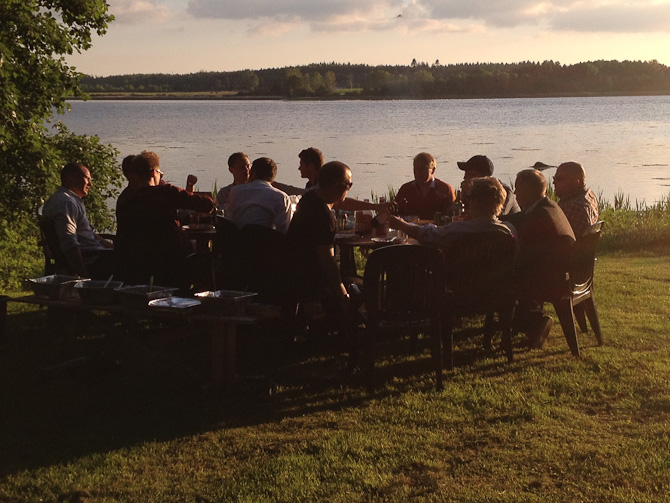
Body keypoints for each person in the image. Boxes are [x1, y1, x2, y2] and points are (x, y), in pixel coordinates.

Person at [115, 150, 215, 287]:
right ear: (153, 172)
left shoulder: (125, 199)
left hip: (135, 261)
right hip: (170, 259)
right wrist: (161, 184)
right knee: (205, 257)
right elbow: (206, 204)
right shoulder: (166, 192)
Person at [504, 168, 576, 349]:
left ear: (527, 191)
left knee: (503, 278)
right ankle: (528, 323)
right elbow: (520, 218)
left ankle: (535, 321)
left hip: (549, 277)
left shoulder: (539, 217)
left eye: (517, 189)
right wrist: (497, 219)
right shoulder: (548, 206)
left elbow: (525, 256)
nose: (515, 193)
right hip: (559, 271)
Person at [288, 161, 354, 319]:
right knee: (360, 286)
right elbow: (327, 260)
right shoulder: (323, 216)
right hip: (313, 281)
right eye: (349, 184)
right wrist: (342, 294)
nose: (349, 189)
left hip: (293, 274)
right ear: (338, 186)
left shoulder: (309, 199)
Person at [388, 177, 515, 250]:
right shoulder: (508, 231)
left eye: (469, 198)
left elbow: (427, 235)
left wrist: (402, 225)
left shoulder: (459, 230)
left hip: (458, 290)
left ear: (474, 201)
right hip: (495, 292)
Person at [41, 162, 114, 278]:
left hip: (95, 253)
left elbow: (86, 234)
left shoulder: (65, 199)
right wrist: (83, 274)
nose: (91, 184)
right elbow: (69, 241)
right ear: (71, 178)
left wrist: (112, 247)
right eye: (87, 179)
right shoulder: (67, 202)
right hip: (92, 259)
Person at [226, 157, 293, 234]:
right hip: (264, 242)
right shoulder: (281, 197)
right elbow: (285, 230)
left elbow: (230, 217)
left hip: (238, 240)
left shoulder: (235, 191)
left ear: (253, 173)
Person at [393, 152, 455, 220]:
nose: (419, 172)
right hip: (408, 229)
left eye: (423, 169)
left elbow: (451, 218)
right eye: (417, 168)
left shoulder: (445, 190)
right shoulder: (405, 189)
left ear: (433, 170)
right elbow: (394, 213)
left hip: (436, 229)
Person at [553, 161, 599, 236]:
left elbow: (558, 236)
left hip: (566, 247)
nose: (554, 182)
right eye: (554, 178)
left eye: (559, 179)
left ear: (575, 182)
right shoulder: (589, 194)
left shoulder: (575, 207)